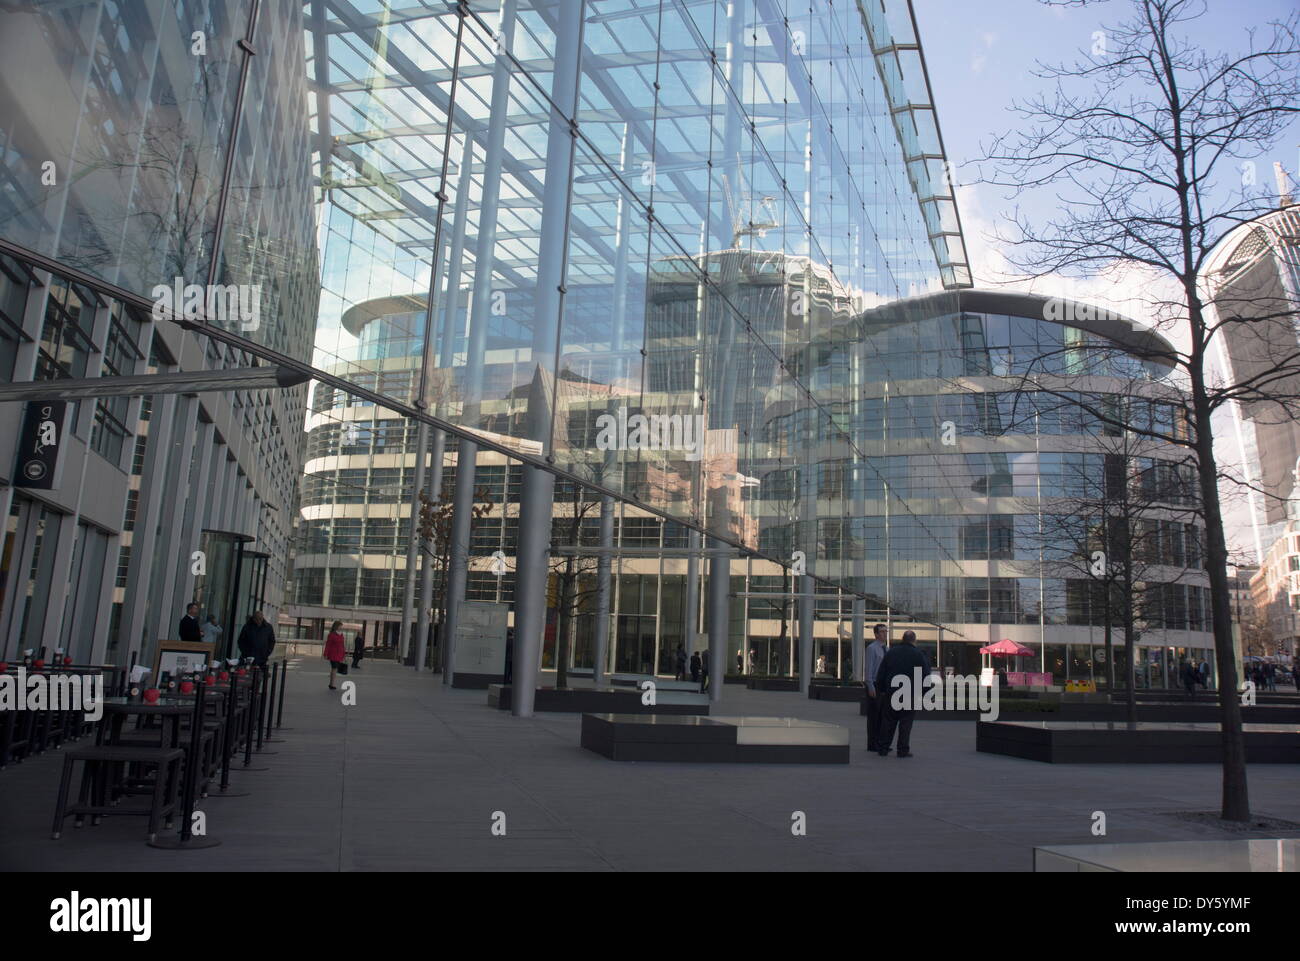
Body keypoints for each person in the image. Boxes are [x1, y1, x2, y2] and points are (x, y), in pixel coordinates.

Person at [875, 630, 930, 758]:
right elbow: (925, 675)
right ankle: (902, 749)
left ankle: (883, 747)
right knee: (906, 722)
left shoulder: (891, 652)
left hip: (892, 691)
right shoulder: (918, 654)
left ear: (902, 639)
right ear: (914, 640)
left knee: (888, 721)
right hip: (910, 693)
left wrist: (882, 689)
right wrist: (923, 693)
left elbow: (882, 672)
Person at [864, 623, 888, 752]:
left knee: (883, 716)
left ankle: (880, 742)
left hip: (884, 686)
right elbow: (868, 668)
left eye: (886, 631)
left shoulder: (886, 649)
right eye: (882, 632)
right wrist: (870, 686)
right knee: (874, 716)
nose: (885, 634)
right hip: (874, 684)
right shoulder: (872, 648)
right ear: (876, 634)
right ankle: (872, 744)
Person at [324, 620, 347, 690]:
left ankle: (331, 683)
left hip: (339, 654)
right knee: (334, 668)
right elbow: (328, 645)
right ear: (336, 626)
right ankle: (332, 684)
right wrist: (325, 653)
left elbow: (342, 645)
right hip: (333, 654)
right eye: (340, 626)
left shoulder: (341, 635)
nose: (341, 627)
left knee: (334, 669)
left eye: (341, 626)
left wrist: (344, 654)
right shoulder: (331, 635)